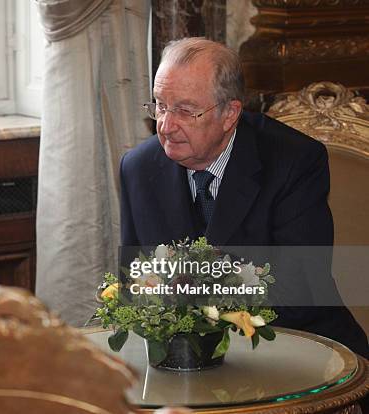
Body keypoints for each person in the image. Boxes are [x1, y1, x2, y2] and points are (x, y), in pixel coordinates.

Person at [119, 37, 368, 357]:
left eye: (185, 110)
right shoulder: (138, 168)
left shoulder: (293, 161)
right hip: (184, 359)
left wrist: (195, 307)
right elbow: (136, 281)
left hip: (297, 346)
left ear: (229, 113)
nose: (165, 126)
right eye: (160, 105)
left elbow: (299, 294)